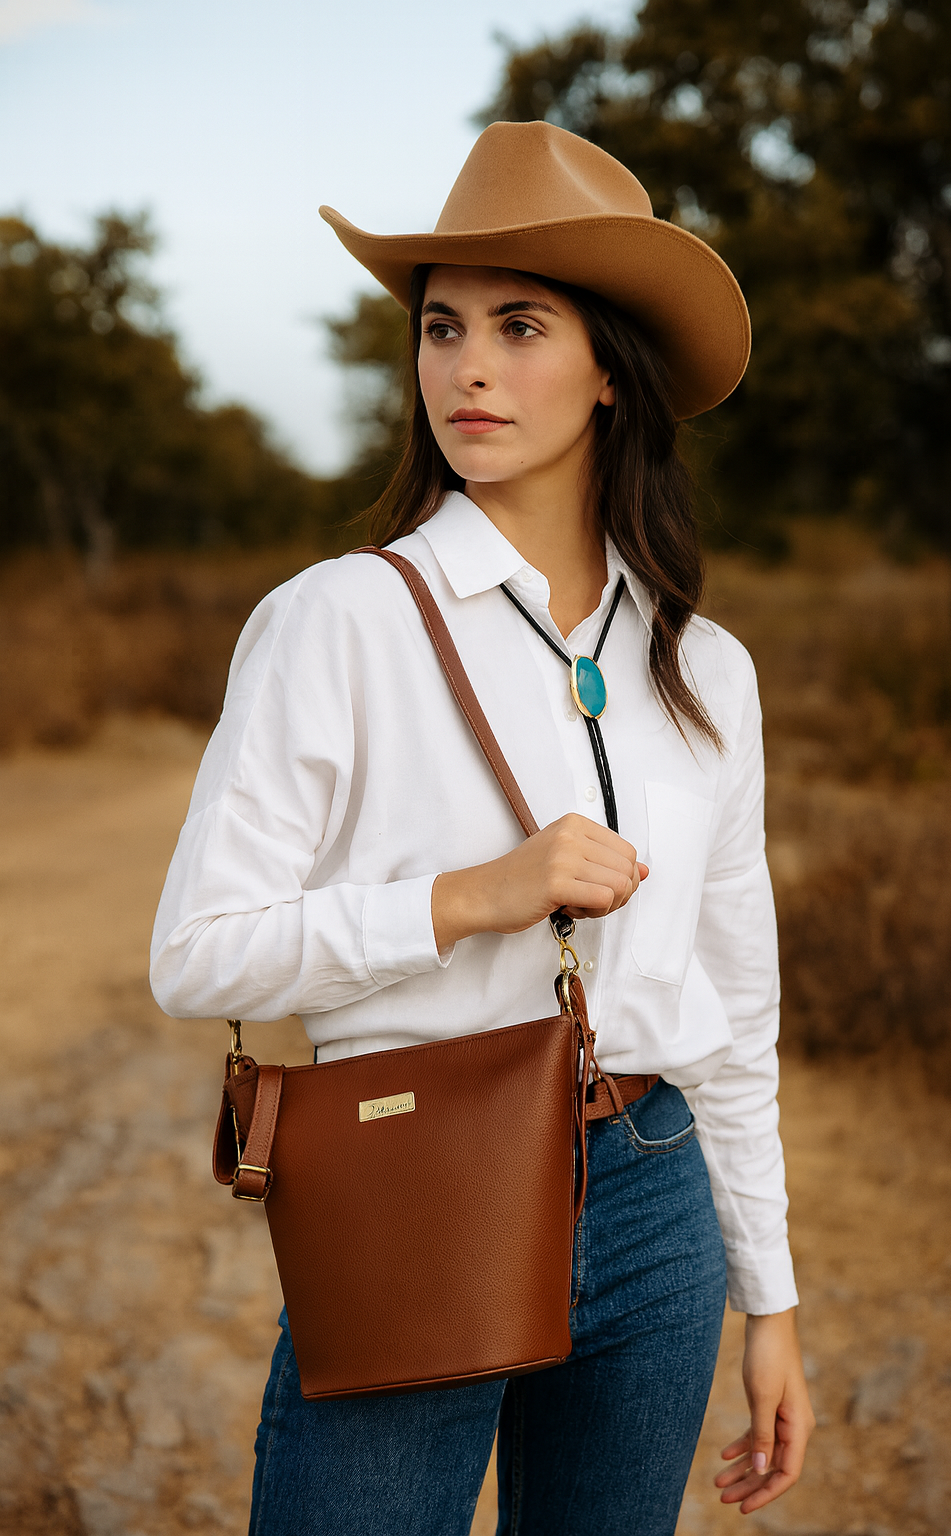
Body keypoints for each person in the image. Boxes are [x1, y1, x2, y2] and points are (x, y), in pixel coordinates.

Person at [151, 120, 814, 1535]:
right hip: (419, 1178)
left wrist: (772, 1300)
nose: (468, 367)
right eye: (442, 326)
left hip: (657, 1192)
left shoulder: (705, 668)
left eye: (520, 327)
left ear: (611, 371)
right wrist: (467, 897)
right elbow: (197, 954)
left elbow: (737, 995)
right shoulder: (340, 619)